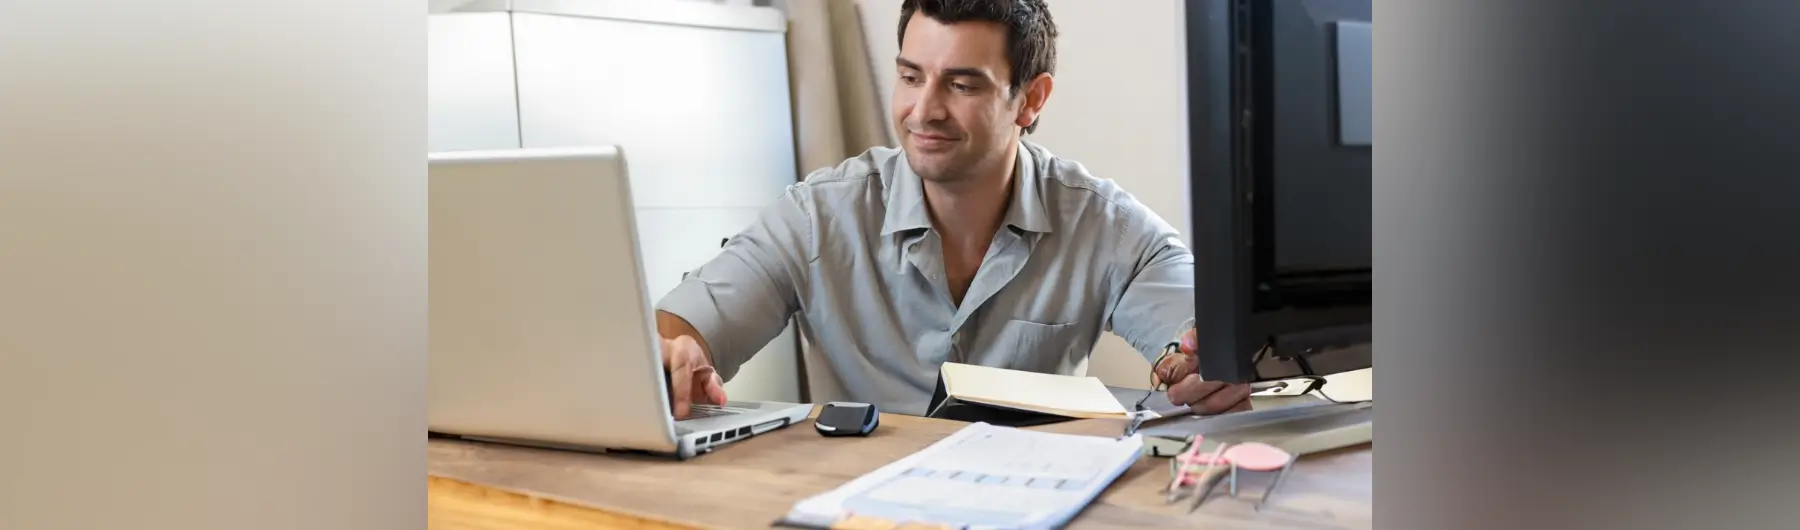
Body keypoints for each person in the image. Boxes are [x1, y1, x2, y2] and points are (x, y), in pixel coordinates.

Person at [654, 0, 1252, 419]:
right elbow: (683, 328)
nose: (924, 110)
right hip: (857, 510)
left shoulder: (1108, 225)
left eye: (962, 86)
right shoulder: (817, 216)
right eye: (911, 77)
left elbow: (1207, 333)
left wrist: (1205, 364)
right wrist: (674, 350)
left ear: (1031, 99)